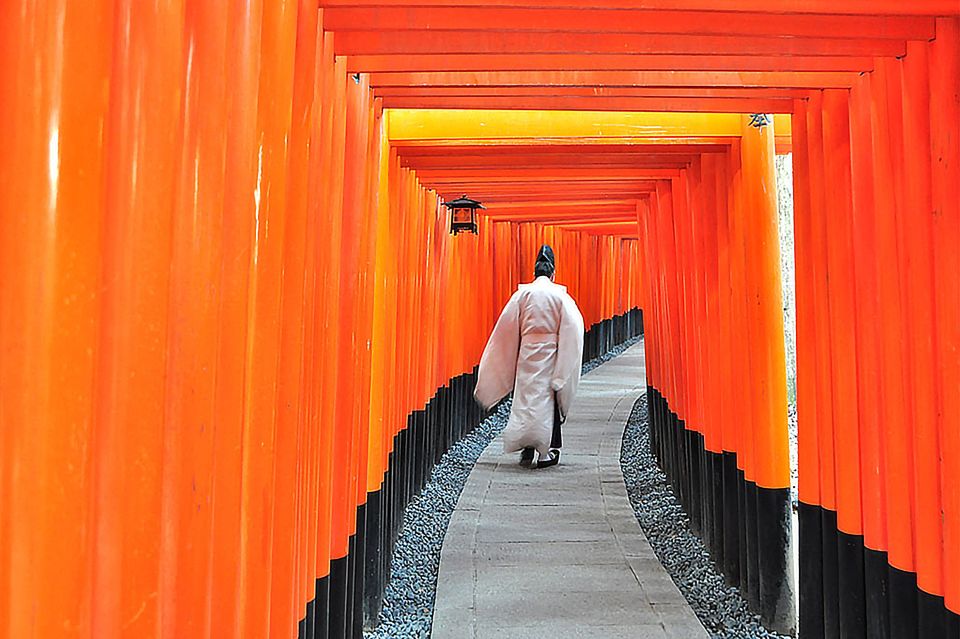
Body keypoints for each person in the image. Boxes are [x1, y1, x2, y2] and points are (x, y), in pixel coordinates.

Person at [474, 245, 585, 468]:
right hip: (551, 353)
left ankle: (527, 447)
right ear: (553, 273)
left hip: (526, 353)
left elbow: (505, 329)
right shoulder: (560, 297)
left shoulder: (522, 295)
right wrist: (563, 367)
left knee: (525, 399)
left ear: (535, 272)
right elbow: (574, 328)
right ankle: (545, 452)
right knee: (547, 400)